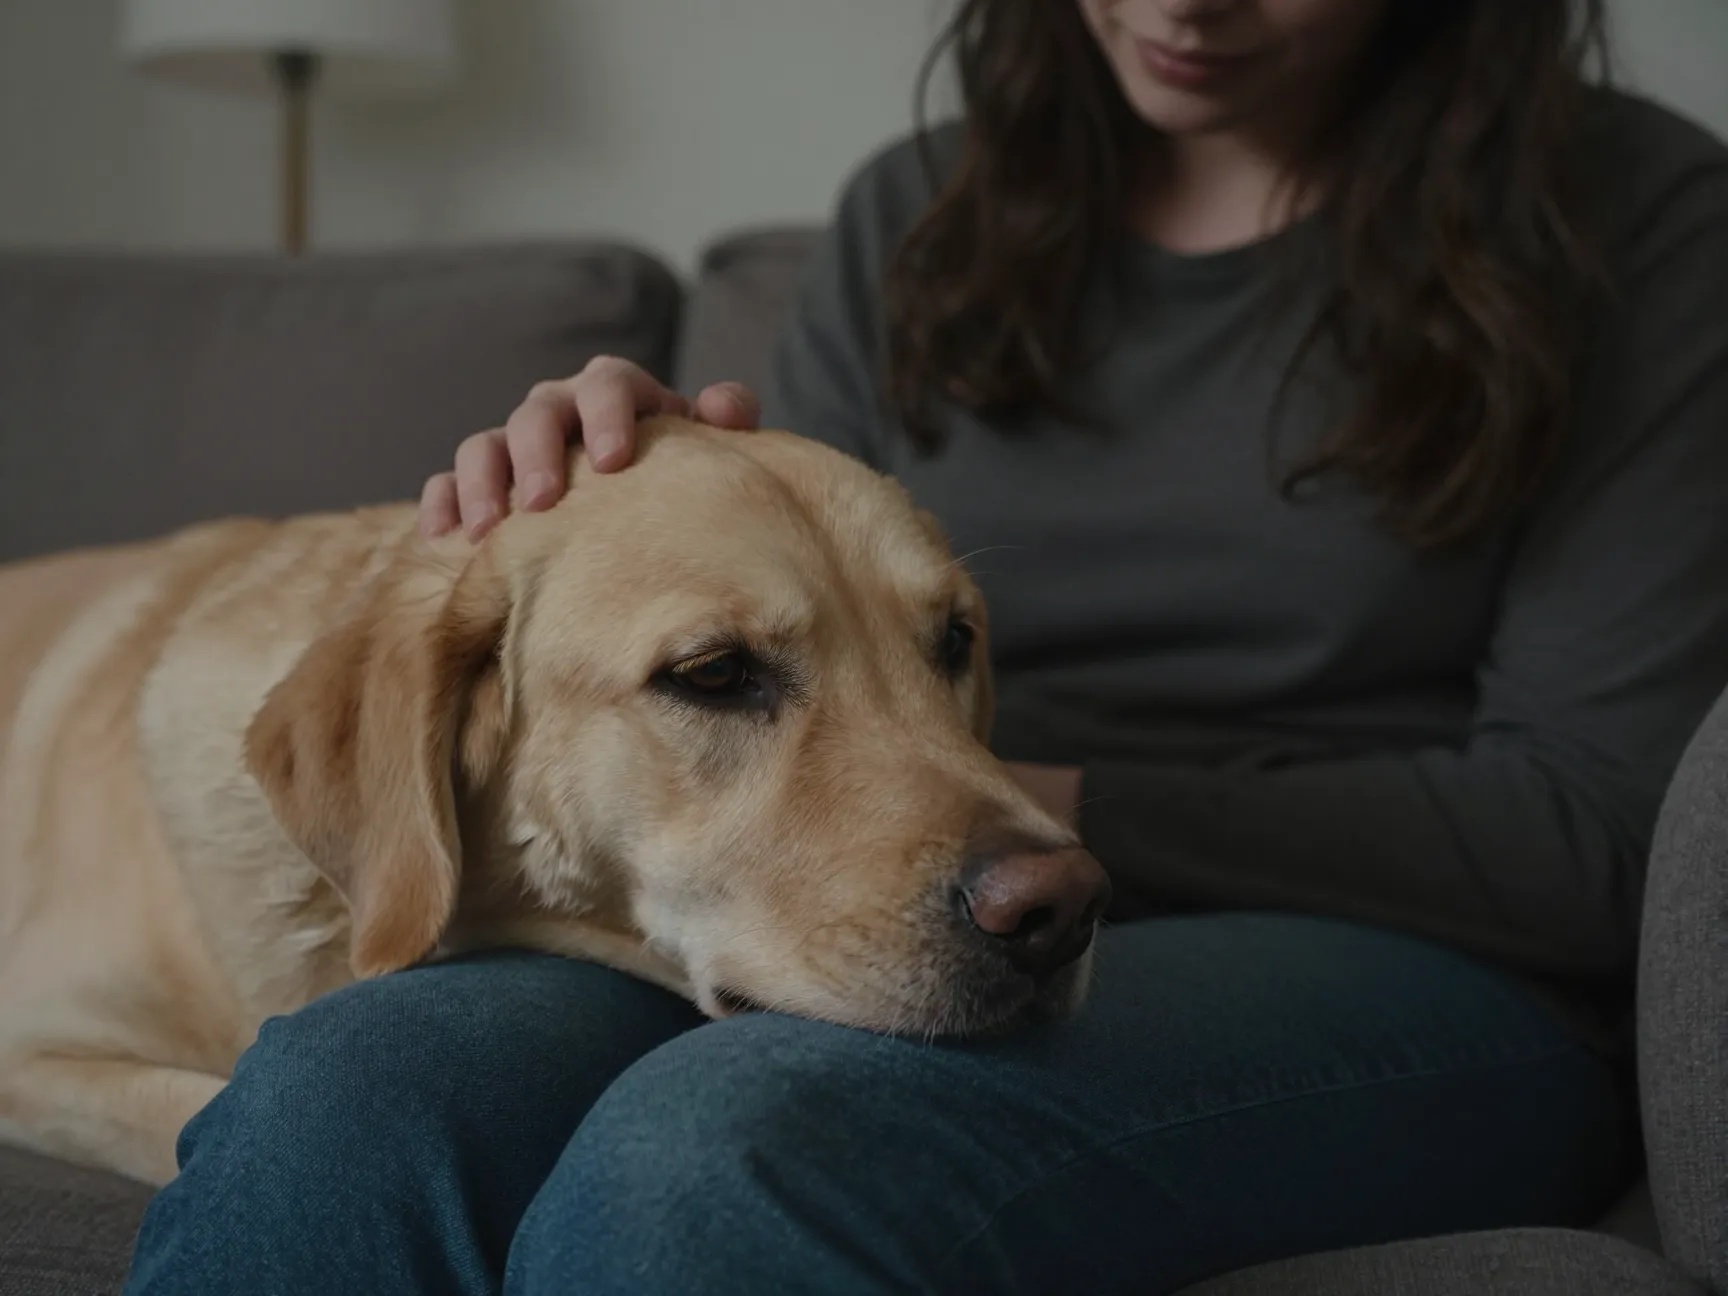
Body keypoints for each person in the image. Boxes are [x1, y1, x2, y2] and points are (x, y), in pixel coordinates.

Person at [127, 1, 1728, 1292]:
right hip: (902, 850)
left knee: (737, 1138)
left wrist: (1015, 811)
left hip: (1420, 971)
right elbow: (794, 613)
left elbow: (1600, 830)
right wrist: (616, 504)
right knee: (357, 1083)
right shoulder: (926, 207)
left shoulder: (1643, 221)